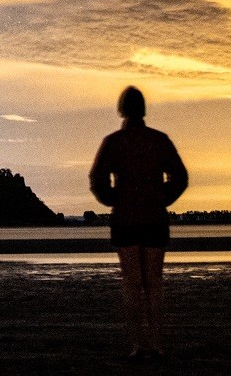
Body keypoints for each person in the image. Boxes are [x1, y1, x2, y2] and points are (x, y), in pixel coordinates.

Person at [89, 85, 190, 360]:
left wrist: (115, 200)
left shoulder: (113, 142)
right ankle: (156, 344)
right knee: (154, 283)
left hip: (126, 219)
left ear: (122, 110)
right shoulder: (159, 140)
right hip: (154, 218)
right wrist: (161, 199)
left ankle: (137, 344)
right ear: (143, 110)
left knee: (132, 283)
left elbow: (97, 179)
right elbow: (180, 178)